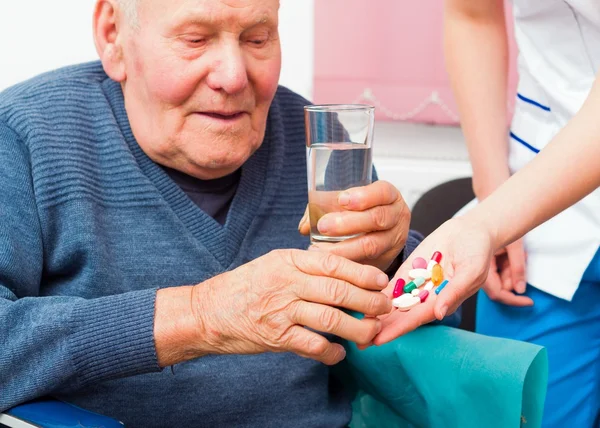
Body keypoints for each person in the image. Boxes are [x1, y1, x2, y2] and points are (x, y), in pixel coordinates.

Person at [0, 0, 423, 426]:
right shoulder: (23, 136)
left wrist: (395, 259)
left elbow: (432, 337)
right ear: (114, 36)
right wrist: (201, 316)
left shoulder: (320, 143)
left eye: (257, 39)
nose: (234, 77)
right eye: (195, 40)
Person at [377, 1, 600, 426]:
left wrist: (488, 222)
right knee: (515, 410)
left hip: (521, 205)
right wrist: (494, 194)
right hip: (537, 211)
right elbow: (471, 14)